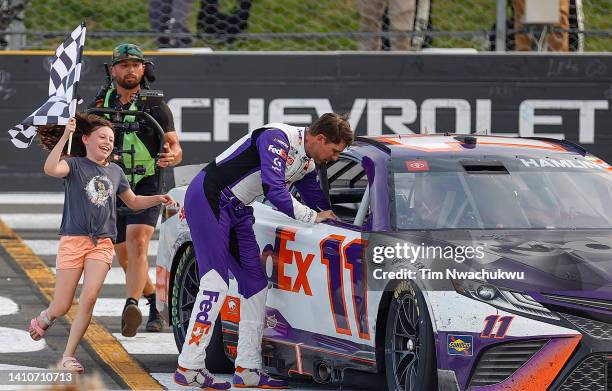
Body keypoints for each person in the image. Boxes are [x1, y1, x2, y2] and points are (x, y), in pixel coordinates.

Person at [174, 113, 353, 389]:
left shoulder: (306, 160)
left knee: (256, 286)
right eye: (335, 151)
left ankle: (248, 368)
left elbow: (318, 202)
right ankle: (189, 365)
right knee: (215, 284)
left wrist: (342, 225)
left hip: (237, 209)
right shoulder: (277, 137)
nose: (335, 158)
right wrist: (311, 217)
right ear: (320, 139)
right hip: (208, 196)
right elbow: (275, 190)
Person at [28, 114, 176, 372]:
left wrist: (157, 198)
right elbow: (51, 169)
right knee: (62, 305)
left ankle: (68, 355)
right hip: (73, 241)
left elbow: (133, 202)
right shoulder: (73, 165)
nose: (108, 142)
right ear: (85, 139)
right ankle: (46, 317)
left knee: (89, 298)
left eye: (111, 138)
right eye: (101, 137)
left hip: (102, 244)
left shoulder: (116, 171)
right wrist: (65, 136)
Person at [92, 43, 183, 337]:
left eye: (136, 65)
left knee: (138, 241)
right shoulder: (100, 102)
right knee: (124, 255)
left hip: (146, 180)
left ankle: (130, 304)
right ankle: (154, 302)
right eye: (124, 65)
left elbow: (173, 144)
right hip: (113, 183)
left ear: (144, 69)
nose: (130, 70)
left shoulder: (155, 105)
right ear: (113, 69)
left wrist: (173, 155)